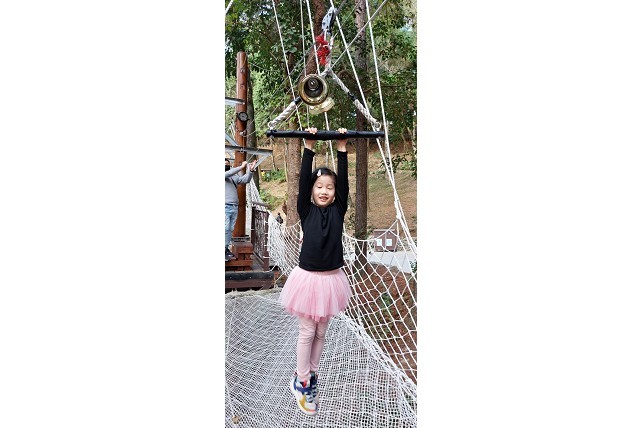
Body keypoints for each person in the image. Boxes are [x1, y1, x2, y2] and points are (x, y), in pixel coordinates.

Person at [279, 127, 352, 416]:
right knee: (308, 330)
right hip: (308, 280)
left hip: (331, 280)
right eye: (319, 186)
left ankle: (312, 373)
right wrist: (308, 146)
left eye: (329, 188)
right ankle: (301, 380)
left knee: (322, 330)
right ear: (312, 190)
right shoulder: (306, 210)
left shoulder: (338, 210)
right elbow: (302, 184)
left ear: (335, 193)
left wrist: (342, 148)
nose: (324, 191)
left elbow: (344, 185)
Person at [225, 157, 257, 261]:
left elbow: (245, 180)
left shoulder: (233, 176)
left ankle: (225, 248)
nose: (226, 166)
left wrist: (250, 171)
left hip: (234, 206)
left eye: (227, 164)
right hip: (224, 206)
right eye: (224, 164)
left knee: (230, 229)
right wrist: (241, 166)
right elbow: (228, 173)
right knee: (225, 228)